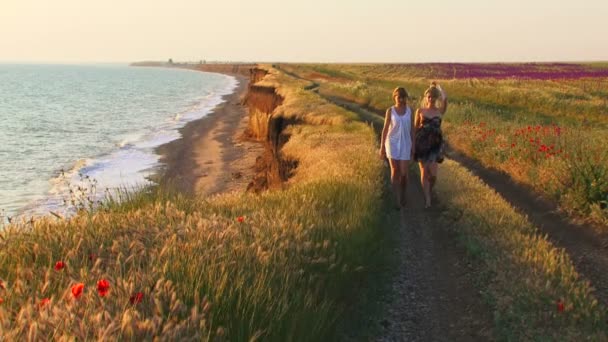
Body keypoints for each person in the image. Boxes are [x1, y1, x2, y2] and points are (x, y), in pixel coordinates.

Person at [380, 87, 415, 209]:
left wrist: (413, 146)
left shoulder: (410, 111)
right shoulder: (390, 111)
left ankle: (404, 194)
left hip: (406, 143)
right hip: (392, 142)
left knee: (404, 173)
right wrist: (382, 147)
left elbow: (412, 130)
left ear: (405, 98)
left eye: (403, 97)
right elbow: (385, 129)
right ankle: (397, 200)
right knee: (395, 170)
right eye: (398, 97)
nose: (400, 99)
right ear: (394, 97)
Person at [414, 82, 448, 208]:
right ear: (426, 98)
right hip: (422, 144)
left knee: (433, 175)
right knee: (424, 171)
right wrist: (413, 146)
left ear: (436, 98)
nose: (431, 99)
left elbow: (445, 99)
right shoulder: (420, 111)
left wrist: (438, 86)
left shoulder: (440, 111)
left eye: (433, 97)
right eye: (429, 97)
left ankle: (429, 190)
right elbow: (415, 128)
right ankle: (427, 199)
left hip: (435, 145)